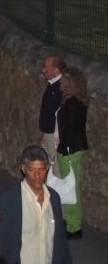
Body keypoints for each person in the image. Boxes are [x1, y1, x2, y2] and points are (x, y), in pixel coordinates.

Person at [55, 67, 88, 238]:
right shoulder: (80, 101)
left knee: (70, 188)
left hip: (69, 150)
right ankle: (72, 223)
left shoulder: (70, 104)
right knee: (72, 186)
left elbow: (69, 130)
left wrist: (62, 148)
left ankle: (74, 227)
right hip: (76, 148)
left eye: (63, 81)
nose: (60, 83)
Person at [38, 53, 65, 161]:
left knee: (54, 168)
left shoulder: (60, 87)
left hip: (54, 138)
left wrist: (51, 138)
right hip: (49, 135)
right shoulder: (52, 84)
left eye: (46, 67)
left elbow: (56, 114)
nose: (43, 70)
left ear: (56, 70)